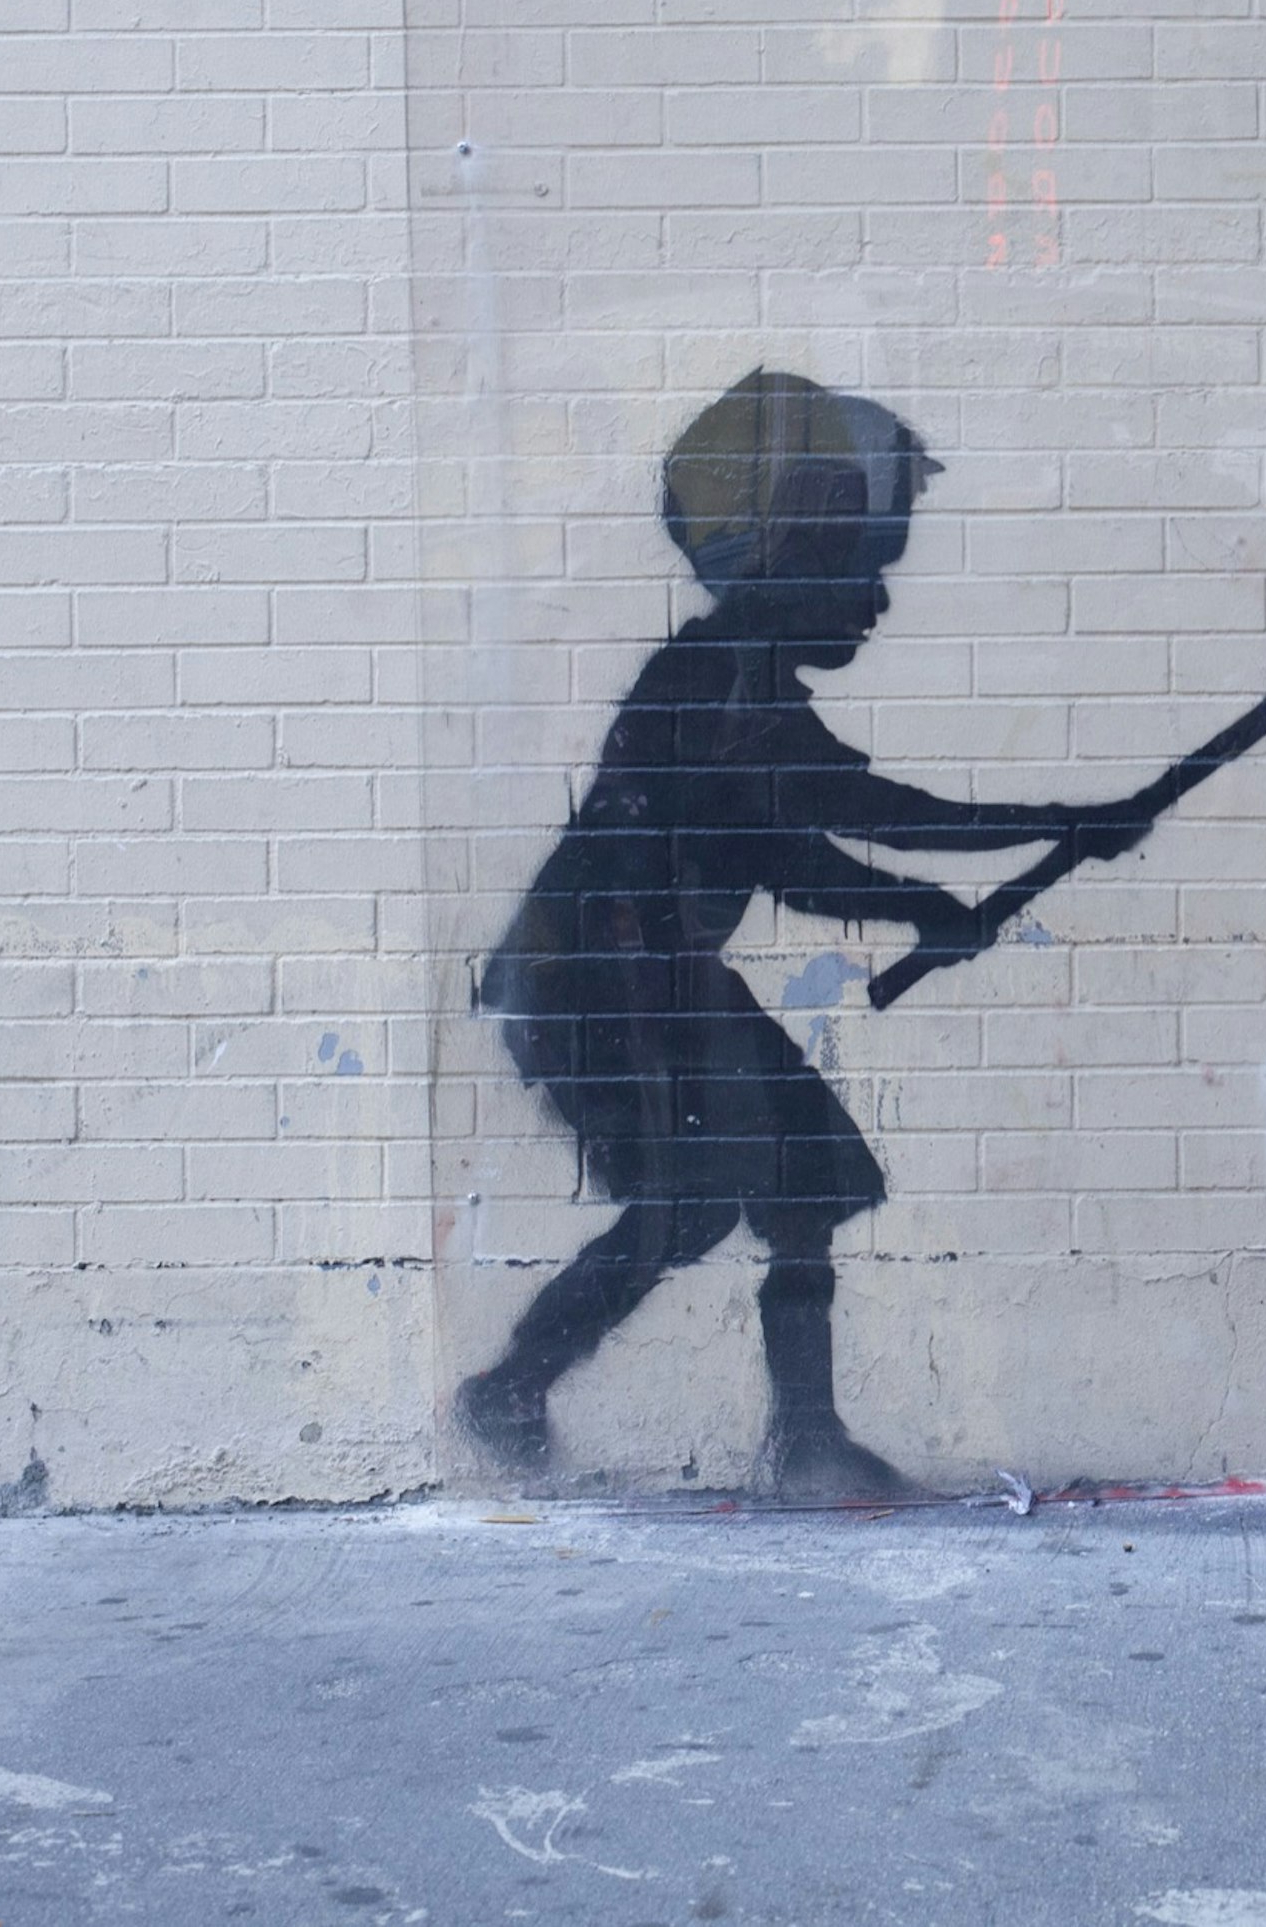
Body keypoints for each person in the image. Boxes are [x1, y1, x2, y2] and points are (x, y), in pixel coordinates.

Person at [457, 369, 1150, 1498]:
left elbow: (850, 821)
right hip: (596, 976)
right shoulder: (716, 684)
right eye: (858, 573)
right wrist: (958, 884)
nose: (875, 604)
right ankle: (517, 1393)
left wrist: (1063, 825)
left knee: (791, 1190)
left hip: (653, 973)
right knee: (698, 1207)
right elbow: (812, 845)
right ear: (779, 565)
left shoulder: (748, 683)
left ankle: (799, 1437)